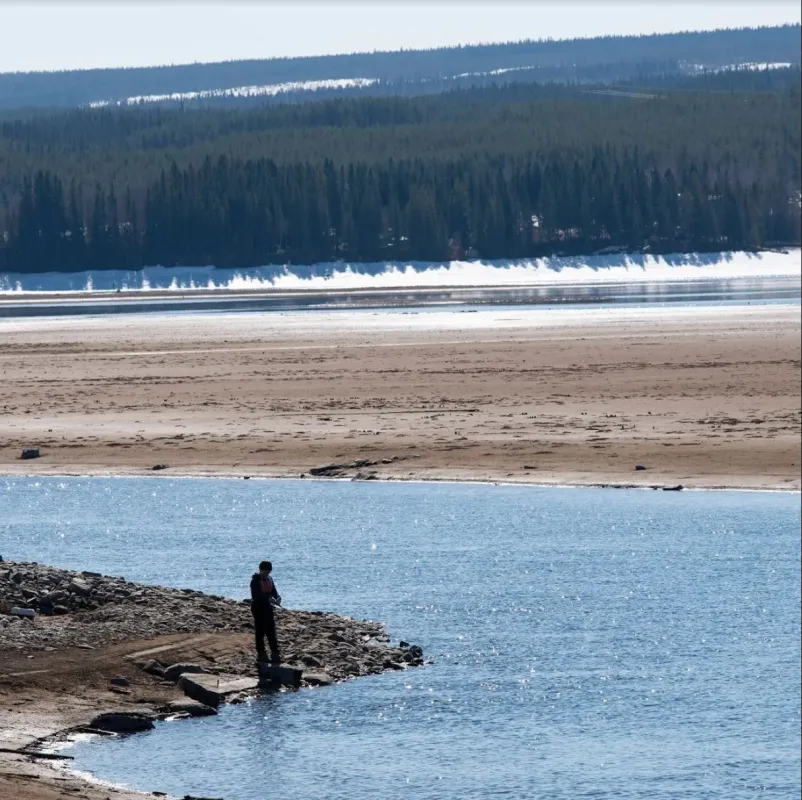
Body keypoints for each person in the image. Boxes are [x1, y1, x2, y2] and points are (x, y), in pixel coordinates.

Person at [250, 560, 282, 663]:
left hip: (268, 607)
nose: (267, 573)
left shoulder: (269, 579)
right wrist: (268, 598)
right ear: (261, 570)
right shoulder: (255, 581)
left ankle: (275, 654)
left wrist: (277, 597)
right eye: (265, 571)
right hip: (258, 607)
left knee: (271, 631)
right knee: (260, 631)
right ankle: (261, 654)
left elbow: (274, 591)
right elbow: (256, 596)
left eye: (268, 571)